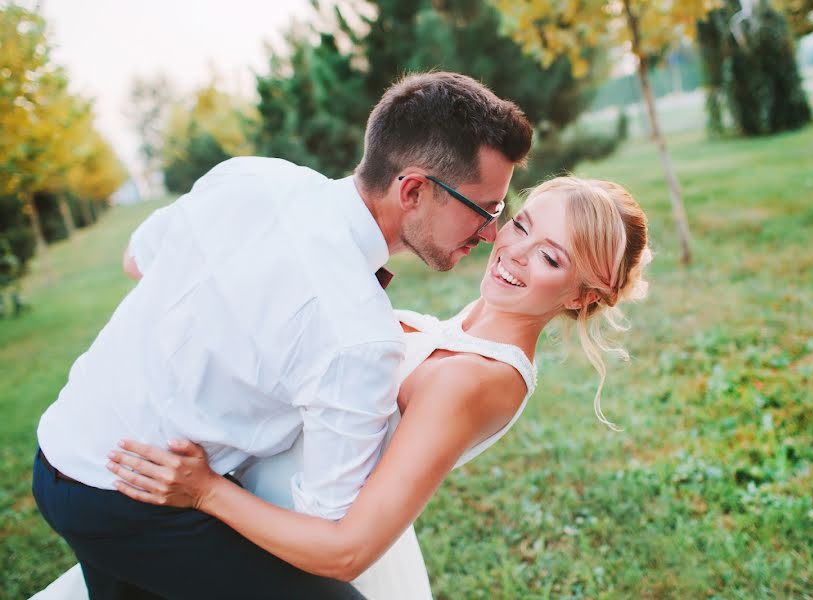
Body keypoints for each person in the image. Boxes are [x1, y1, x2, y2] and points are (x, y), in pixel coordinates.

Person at [31, 71, 533, 600]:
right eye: (485, 210)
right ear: (412, 189)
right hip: (134, 493)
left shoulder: (251, 177)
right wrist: (205, 492)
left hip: (59, 450)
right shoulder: (358, 339)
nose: (491, 233)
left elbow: (138, 259)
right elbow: (329, 540)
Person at [32, 176, 652, 599]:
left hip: (294, 541)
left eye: (551, 258)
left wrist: (205, 494)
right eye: (521, 225)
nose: (513, 252)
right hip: (267, 516)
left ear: (581, 296)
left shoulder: (473, 378)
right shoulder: (453, 332)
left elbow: (347, 548)